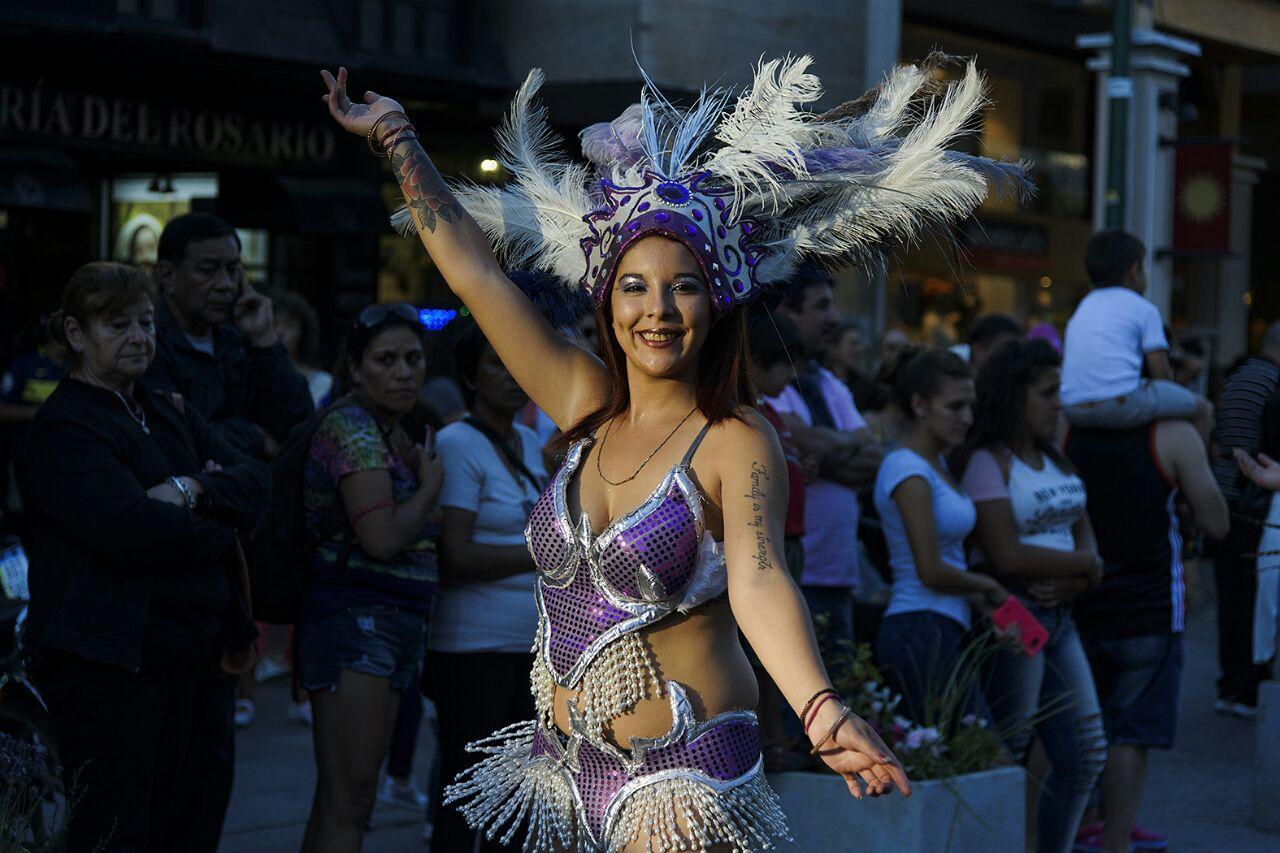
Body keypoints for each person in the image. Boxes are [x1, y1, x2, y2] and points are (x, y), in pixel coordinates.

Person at [321, 44, 1023, 845]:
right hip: (562, 773)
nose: (658, 309)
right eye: (635, 285)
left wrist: (822, 711)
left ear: (716, 302)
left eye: (683, 284)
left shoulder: (736, 439)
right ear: (606, 300)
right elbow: (478, 278)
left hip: (682, 780)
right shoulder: (582, 404)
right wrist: (398, 138)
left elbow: (761, 582)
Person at [23, 262, 268, 852]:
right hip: (110, 665)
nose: (138, 338)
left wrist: (192, 492)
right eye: (117, 325)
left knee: (189, 821)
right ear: (78, 334)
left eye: (146, 323)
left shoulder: (164, 407)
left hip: (193, 657)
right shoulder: (65, 426)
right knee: (118, 828)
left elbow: (257, 479)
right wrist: (217, 528)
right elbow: (130, 527)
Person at [143, 211, 313, 842]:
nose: (226, 283)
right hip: (167, 584)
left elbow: (295, 426)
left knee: (211, 771)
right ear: (166, 276)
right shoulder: (149, 342)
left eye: (234, 268)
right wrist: (249, 448)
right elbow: (177, 450)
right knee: (164, 766)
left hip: (228, 576)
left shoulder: (241, 341)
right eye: (209, 269)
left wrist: (266, 340)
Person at [296, 302, 443, 851]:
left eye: (413, 358)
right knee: (351, 801)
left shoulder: (395, 431)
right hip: (357, 623)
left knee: (344, 800)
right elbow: (381, 539)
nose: (404, 371)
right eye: (385, 360)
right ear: (355, 369)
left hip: (390, 623)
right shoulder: (353, 428)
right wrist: (430, 487)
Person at [956, 338, 1107, 853]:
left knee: (1087, 754)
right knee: (1012, 748)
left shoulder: (1055, 458)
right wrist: (1086, 566)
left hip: (1061, 611)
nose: (1058, 402)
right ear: (1014, 397)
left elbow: (1084, 529)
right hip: (1014, 610)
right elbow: (1007, 554)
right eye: (1047, 392)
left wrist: (1084, 572)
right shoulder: (986, 461)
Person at [1066, 412, 1228, 853]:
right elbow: (1217, 522)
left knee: (1078, 727)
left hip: (1076, 598)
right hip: (1147, 608)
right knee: (1130, 735)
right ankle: (1114, 842)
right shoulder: (1172, 434)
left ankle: (1076, 830)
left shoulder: (1059, 426)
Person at [424, 319, 548, 852]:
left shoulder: (527, 438)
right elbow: (455, 555)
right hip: (472, 649)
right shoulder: (456, 443)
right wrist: (542, 554)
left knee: (515, 800)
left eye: (513, 361)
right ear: (470, 377)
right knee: (467, 792)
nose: (510, 374)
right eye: (495, 364)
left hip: (529, 649)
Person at [872, 349, 1005, 723]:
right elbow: (930, 569)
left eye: (970, 406)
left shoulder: (937, 462)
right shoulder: (907, 469)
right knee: (971, 753)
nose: (967, 418)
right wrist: (988, 587)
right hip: (920, 627)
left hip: (940, 625)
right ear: (920, 404)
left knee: (967, 753)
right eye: (955, 406)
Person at [769, 267, 883, 669]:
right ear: (788, 313)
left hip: (839, 574)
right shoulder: (770, 382)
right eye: (822, 306)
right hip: (794, 578)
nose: (835, 318)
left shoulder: (830, 383)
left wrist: (820, 454)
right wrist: (842, 444)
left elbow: (875, 459)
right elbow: (800, 443)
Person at [1059, 230, 1211, 438]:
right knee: (1203, 409)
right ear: (1134, 270)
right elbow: (1162, 376)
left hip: (1072, 407)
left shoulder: (1083, 306)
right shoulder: (1144, 309)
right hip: (1119, 403)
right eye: (1144, 267)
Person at [1205, 321, 1280, 719]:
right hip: (1260, 510)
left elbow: (1218, 442)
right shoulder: (1273, 388)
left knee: (1233, 600)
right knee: (1257, 602)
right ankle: (1250, 683)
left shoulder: (1237, 382)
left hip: (1226, 505)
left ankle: (1233, 684)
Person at [275, 290, 336, 406]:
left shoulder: (321, 382)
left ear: (303, 334)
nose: (279, 331)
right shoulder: (251, 377)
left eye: (290, 325)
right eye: (275, 324)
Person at [826, 319, 884, 412]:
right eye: (853, 344)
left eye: (860, 344)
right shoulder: (818, 382)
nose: (858, 350)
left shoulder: (866, 388)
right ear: (834, 347)